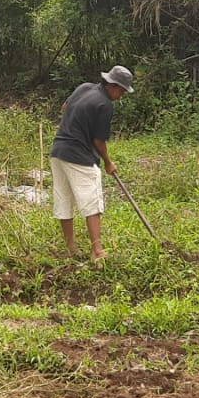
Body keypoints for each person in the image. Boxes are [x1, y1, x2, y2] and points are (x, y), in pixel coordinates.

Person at [49, 66, 134, 264]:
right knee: (92, 202)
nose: (121, 96)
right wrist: (108, 163)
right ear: (112, 86)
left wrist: (74, 126)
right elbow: (98, 141)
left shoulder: (84, 87)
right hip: (79, 156)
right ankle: (97, 250)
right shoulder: (105, 105)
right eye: (121, 91)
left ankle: (71, 248)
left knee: (64, 199)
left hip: (58, 151)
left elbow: (64, 107)